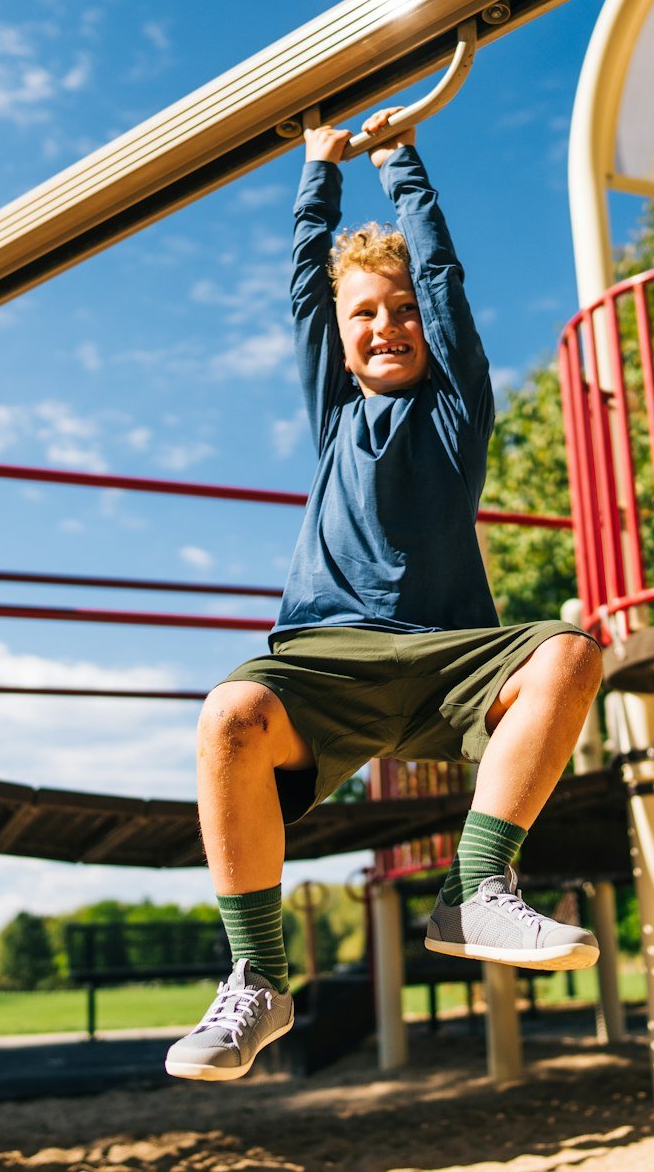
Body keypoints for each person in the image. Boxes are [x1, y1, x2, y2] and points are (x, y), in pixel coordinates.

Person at [165, 108, 603, 1082]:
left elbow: (441, 279)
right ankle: (258, 979)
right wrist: (318, 168)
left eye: (398, 310)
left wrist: (399, 159)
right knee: (231, 713)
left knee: (570, 650)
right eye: (364, 313)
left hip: (447, 655)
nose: (386, 325)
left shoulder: (454, 408)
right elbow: (302, 289)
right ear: (341, 331)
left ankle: (478, 887)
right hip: (326, 655)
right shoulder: (332, 413)